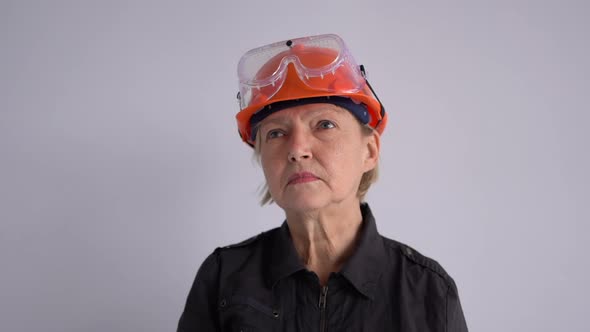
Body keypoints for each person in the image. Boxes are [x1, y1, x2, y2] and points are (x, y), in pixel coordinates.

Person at [177, 34, 468, 331]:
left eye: (324, 125)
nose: (297, 149)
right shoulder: (224, 279)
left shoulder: (428, 292)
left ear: (369, 151)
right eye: (276, 133)